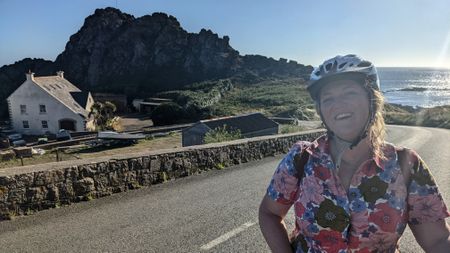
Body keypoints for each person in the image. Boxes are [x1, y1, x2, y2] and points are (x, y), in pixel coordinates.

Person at [258, 54, 450, 252]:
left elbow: (437, 241)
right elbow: (269, 213)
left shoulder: (406, 164)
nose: (338, 104)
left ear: (372, 100)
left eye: (349, 93)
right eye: (328, 98)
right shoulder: (302, 158)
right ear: (321, 110)